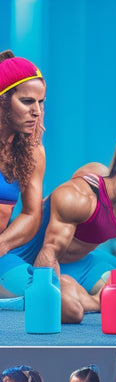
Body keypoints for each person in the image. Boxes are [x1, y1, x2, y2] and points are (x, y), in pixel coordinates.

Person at [1, 134, 116, 323]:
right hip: (18, 259)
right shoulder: (79, 197)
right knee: (69, 310)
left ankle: (92, 299)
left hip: (75, 263)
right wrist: (50, 294)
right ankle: (99, 299)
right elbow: (50, 251)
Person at [0, 50, 46, 297]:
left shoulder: (32, 150)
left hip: (3, 251)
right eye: (28, 101)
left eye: (41, 102)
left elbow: (31, 213)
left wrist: (2, 244)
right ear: (4, 100)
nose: (37, 111)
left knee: (42, 296)